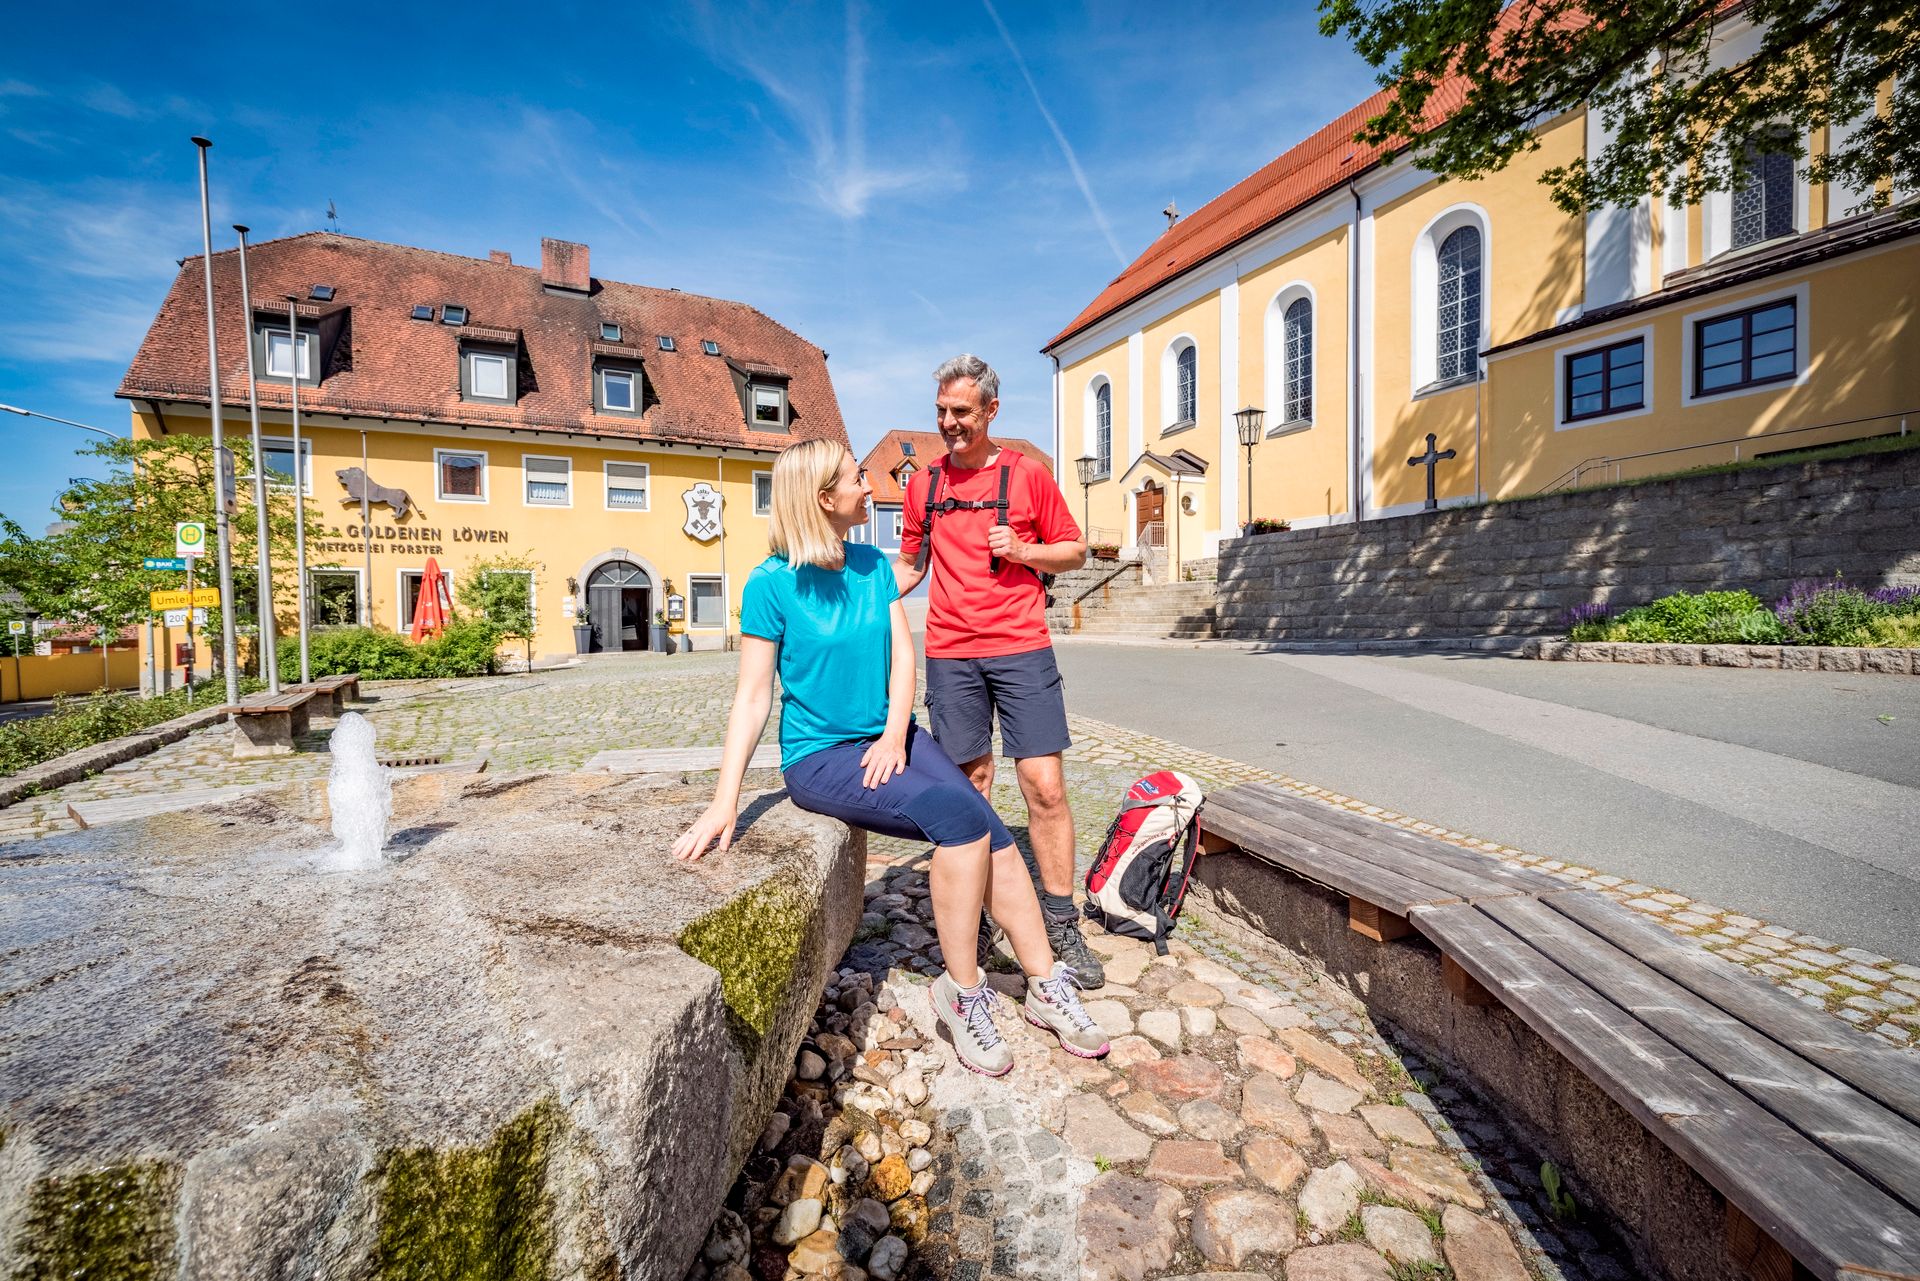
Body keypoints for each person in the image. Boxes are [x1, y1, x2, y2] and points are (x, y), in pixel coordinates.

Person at [671, 438, 1108, 1076]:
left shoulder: (873, 565)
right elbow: (753, 696)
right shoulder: (771, 582)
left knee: (991, 828)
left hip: (890, 737)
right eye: (856, 478)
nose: (869, 487)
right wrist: (724, 801)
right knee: (959, 822)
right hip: (821, 757)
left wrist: (894, 733)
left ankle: (1044, 981)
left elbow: (904, 656)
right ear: (824, 498)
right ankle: (962, 992)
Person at [893, 355, 1105, 987]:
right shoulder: (923, 486)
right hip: (951, 653)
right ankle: (980, 911)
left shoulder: (1028, 474)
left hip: (1021, 647)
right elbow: (910, 565)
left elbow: (1075, 550)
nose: (948, 423)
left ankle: (1060, 919)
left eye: (961, 411)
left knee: (1044, 785)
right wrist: (856, 596)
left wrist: (1024, 550)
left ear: (990, 411)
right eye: (941, 411)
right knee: (971, 785)